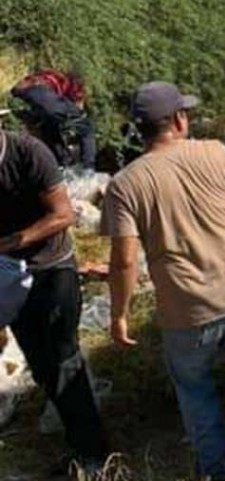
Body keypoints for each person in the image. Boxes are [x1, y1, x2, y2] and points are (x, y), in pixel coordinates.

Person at [100, 82, 225, 481]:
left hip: (185, 308)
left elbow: (123, 260)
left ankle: (217, 471)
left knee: (195, 391)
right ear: (178, 119)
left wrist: (119, 315)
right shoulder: (217, 152)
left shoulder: (125, 184)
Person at [0, 128, 108, 478]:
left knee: (64, 356)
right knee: (39, 360)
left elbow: (64, 215)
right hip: (9, 273)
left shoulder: (28, 152)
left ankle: (94, 454)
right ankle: (74, 439)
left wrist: (14, 241)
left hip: (51, 267)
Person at [11, 69, 97, 171]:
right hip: (39, 93)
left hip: (22, 98)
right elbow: (78, 106)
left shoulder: (49, 78)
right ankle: (88, 171)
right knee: (86, 128)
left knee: (51, 129)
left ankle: (60, 164)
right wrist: (80, 113)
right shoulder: (69, 84)